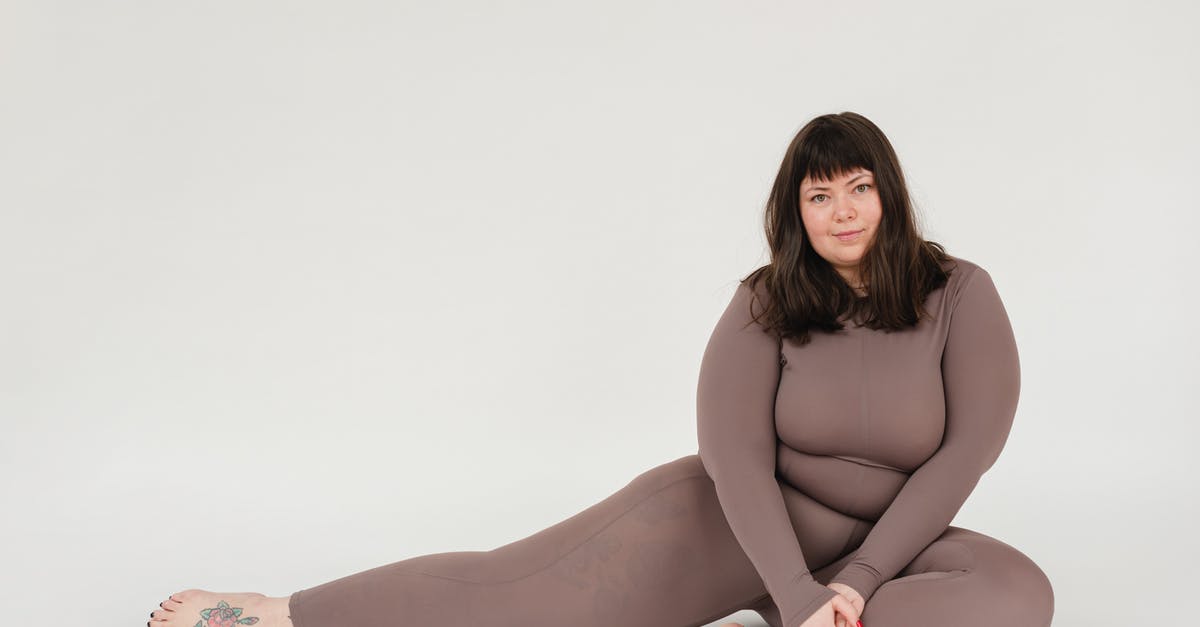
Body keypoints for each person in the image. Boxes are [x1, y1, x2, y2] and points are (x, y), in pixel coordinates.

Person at [145, 111, 1055, 627]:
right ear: (798, 214)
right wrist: (792, 584)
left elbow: (964, 453)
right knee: (507, 593)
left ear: (888, 191)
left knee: (1020, 597)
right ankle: (272, 611)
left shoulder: (961, 293)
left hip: (891, 545)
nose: (843, 209)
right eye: (820, 195)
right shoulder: (765, 299)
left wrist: (852, 583)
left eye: (858, 186)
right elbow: (732, 454)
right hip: (737, 525)